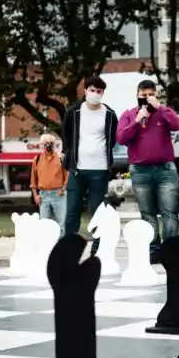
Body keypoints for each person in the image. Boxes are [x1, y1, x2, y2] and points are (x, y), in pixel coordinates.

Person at [117, 79, 179, 260]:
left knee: (169, 210)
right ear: (137, 96)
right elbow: (121, 138)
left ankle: (171, 249)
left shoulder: (163, 113)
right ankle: (154, 249)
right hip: (140, 170)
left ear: (155, 95)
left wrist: (161, 107)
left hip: (165, 169)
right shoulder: (129, 114)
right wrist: (137, 120)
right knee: (147, 212)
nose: (147, 98)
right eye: (143, 95)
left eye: (150, 95)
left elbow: (178, 125)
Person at [61, 77, 118, 253]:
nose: (95, 94)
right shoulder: (74, 112)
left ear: (103, 93)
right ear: (85, 91)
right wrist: (68, 157)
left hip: (100, 170)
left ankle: (97, 248)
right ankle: (69, 247)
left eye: (99, 91)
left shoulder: (109, 114)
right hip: (78, 169)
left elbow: (112, 139)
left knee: (97, 211)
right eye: (92, 90)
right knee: (72, 211)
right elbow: (67, 135)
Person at [30, 133, 69, 230]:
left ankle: (60, 243)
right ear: (42, 145)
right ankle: (46, 243)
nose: (48, 145)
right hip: (43, 195)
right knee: (44, 223)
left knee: (61, 222)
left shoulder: (61, 158)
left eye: (51, 143)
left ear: (54, 144)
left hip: (59, 194)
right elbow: (33, 180)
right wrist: (35, 195)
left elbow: (67, 177)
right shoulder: (37, 160)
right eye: (46, 143)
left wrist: (63, 189)